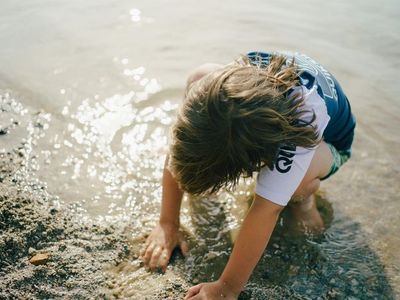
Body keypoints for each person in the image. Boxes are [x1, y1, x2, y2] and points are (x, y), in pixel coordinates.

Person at [140, 51, 356, 299]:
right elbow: (183, 142)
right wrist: (167, 222)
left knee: (293, 184)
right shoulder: (210, 87)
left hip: (328, 144)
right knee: (198, 74)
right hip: (267, 114)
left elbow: (265, 210)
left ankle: (304, 200)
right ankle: (282, 181)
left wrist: (227, 287)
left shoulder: (302, 123)